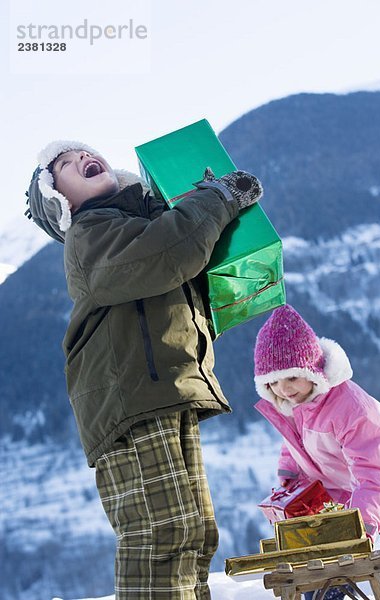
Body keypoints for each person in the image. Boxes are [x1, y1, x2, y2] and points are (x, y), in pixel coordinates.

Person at [26, 140, 263, 600]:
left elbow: (182, 269)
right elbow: (168, 253)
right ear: (62, 203)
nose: (79, 159)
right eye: (64, 167)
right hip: (129, 403)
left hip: (164, 394)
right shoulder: (91, 234)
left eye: (82, 152)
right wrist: (217, 199)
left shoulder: (137, 224)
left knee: (194, 534)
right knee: (162, 533)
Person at [253, 303, 380, 600]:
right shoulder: (295, 404)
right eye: (274, 381)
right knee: (323, 575)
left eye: (292, 377)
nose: (284, 389)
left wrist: (362, 527)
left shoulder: (350, 408)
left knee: (348, 553)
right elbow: (296, 441)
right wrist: (289, 473)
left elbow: (374, 470)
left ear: (312, 370)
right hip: (345, 498)